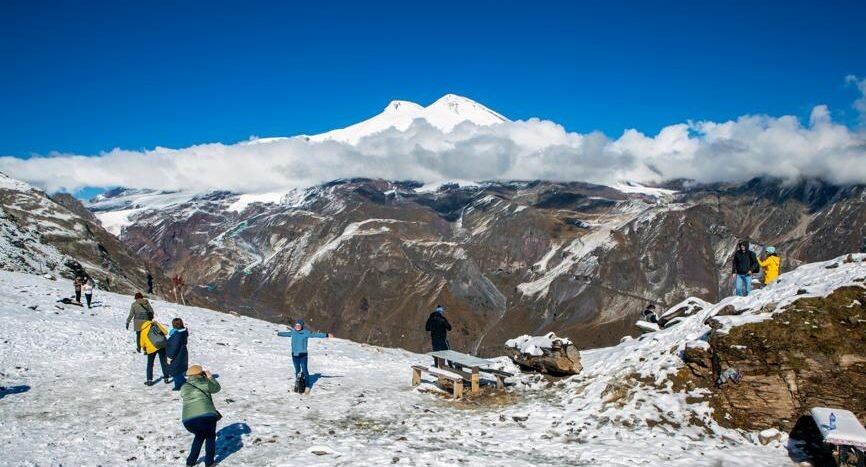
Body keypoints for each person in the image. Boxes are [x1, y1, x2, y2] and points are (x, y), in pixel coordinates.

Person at [180, 365, 221, 467]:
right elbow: (216, 388)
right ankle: (209, 462)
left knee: (199, 436)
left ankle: (190, 462)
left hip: (188, 420)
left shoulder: (184, 387)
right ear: (200, 374)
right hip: (206, 416)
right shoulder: (204, 382)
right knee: (210, 437)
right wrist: (210, 377)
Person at [276, 320, 332, 388]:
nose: (297, 327)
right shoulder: (293, 332)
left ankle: (307, 385)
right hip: (294, 355)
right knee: (297, 371)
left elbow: (315, 334)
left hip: (303, 355)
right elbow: (286, 334)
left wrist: (326, 335)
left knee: (305, 370)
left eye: (299, 325)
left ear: (301, 326)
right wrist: (279, 333)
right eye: (296, 325)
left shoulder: (306, 332)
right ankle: (298, 384)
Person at [140, 317, 170, 386]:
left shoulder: (142, 329)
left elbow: (142, 343)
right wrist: (157, 324)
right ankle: (166, 378)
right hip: (161, 345)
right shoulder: (155, 324)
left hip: (150, 349)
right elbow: (165, 332)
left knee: (150, 364)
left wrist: (144, 347)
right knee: (163, 362)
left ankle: (149, 380)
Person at [166, 318, 189, 391]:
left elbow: (174, 347)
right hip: (182, 354)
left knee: (174, 372)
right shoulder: (183, 332)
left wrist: (170, 357)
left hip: (176, 356)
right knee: (178, 370)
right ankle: (177, 386)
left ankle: (185, 384)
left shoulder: (177, 334)